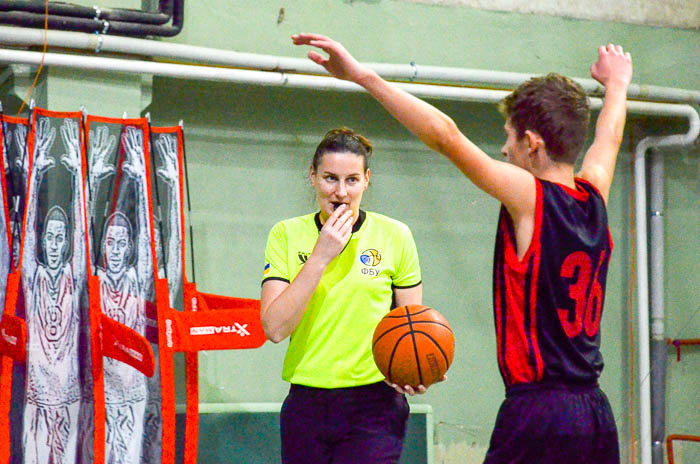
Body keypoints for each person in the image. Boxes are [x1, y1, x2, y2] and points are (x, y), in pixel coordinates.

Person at [292, 34, 632, 463]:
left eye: (508, 138)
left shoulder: (531, 198)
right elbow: (610, 140)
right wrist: (617, 85)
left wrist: (361, 76)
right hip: (595, 414)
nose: (504, 150)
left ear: (533, 143)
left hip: (541, 411)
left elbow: (445, 136)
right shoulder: (594, 194)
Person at [261, 127, 424, 463]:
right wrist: (320, 256)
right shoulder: (286, 234)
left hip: (375, 405)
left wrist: (416, 369)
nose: (340, 191)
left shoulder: (396, 235)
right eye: (330, 178)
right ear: (312, 177)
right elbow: (275, 328)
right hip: (308, 403)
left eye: (351, 180)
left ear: (367, 180)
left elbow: (411, 328)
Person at [22, 117, 87, 464]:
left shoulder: (72, 277)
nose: (53, 243)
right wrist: (35, 170)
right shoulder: (32, 276)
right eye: (49, 236)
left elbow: (82, 235)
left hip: (67, 394)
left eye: (60, 238)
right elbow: (29, 225)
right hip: (36, 394)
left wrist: (78, 175)